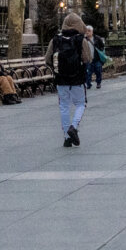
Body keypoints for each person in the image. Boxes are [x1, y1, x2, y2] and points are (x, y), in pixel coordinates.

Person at [46, 12, 94, 148]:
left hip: (61, 79)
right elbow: (87, 58)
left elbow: (47, 59)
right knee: (80, 104)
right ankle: (74, 126)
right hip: (77, 78)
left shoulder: (55, 40)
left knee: (64, 106)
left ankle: (66, 137)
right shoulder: (80, 40)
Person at [84, 25, 105, 90]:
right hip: (88, 59)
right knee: (88, 73)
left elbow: (102, 46)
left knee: (98, 71)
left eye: (89, 31)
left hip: (97, 58)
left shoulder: (97, 38)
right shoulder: (84, 40)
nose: (87, 32)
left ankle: (98, 83)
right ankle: (88, 84)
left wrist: (99, 50)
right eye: (86, 31)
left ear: (92, 32)